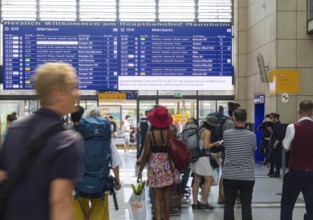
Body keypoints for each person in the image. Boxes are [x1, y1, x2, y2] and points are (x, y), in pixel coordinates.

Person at [0, 62, 83, 220]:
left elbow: (2, 176)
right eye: (73, 87)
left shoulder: (15, 129)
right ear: (58, 93)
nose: (77, 93)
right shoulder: (66, 139)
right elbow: (60, 202)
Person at [72, 108, 122, 220]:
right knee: (99, 215)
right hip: (101, 183)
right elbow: (115, 162)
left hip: (78, 184)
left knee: (78, 215)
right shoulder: (105, 138)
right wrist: (117, 180)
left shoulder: (76, 135)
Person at [137, 106, 181, 220]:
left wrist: (140, 170)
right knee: (167, 196)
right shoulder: (171, 131)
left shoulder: (150, 135)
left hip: (155, 166)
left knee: (157, 198)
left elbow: (146, 154)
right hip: (168, 164)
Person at [281, 100, 313, 220]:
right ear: (312, 112)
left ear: (298, 111)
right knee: (311, 205)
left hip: (296, 172)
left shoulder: (292, 127)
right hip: (312, 172)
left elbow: (286, 147)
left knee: (287, 204)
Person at [222, 108, 256, 220]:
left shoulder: (226, 134)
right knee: (246, 206)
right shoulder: (252, 135)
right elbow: (253, 150)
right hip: (247, 176)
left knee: (229, 206)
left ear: (233, 118)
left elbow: (226, 147)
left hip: (230, 175)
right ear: (246, 119)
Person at [191, 116, 222, 210]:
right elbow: (206, 146)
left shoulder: (199, 129)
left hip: (196, 157)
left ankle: (195, 203)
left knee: (197, 181)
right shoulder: (207, 132)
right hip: (203, 158)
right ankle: (204, 202)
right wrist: (216, 143)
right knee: (209, 180)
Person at [218, 101, 241, 204]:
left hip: (227, 152)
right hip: (230, 153)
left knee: (225, 174)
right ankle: (223, 196)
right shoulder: (230, 123)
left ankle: (222, 196)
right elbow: (231, 139)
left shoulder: (227, 122)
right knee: (231, 175)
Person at [268, 112, 283, 178]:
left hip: (276, 146)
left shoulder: (279, 125)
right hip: (272, 145)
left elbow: (279, 137)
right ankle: (271, 171)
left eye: (272, 118)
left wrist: (275, 144)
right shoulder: (275, 125)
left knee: (277, 160)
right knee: (272, 159)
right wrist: (271, 131)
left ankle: (277, 173)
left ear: (276, 118)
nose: (271, 119)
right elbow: (274, 134)